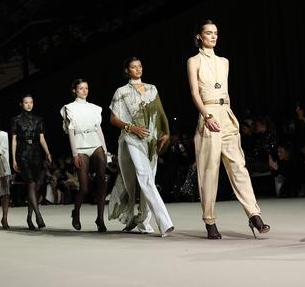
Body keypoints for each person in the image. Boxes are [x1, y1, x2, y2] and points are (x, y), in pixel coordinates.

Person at [187, 20, 270, 239]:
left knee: (238, 167)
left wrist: (230, 116)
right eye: (208, 33)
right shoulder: (194, 61)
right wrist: (206, 116)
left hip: (227, 114)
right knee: (209, 171)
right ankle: (210, 220)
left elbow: (227, 90)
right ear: (199, 36)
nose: (213, 36)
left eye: (215, 33)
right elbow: (195, 93)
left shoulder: (224, 61)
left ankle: (254, 214)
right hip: (209, 115)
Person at [108, 57, 174, 237]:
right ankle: (165, 222)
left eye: (139, 66)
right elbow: (113, 119)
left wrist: (166, 132)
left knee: (149, 179)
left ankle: (143, 221)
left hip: (151, 139)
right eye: (133, 67)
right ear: (127, 71)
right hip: (131, 139)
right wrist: (132, 128)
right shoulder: (121, 92)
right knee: (144, 177)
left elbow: (160, 112)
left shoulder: (152, 88)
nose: (137, 69)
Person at [60, 79, 108, 232]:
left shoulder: (94, 108)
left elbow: (98, 129)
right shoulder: (69, 108)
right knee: (84, 187)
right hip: (80, 146)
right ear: (74, 90)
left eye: (86, 88)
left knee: (102, 181)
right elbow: (71, 132)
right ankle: (76, 213)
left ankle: (100, 219)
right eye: (81, 88)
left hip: (96, 144)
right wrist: (75, 154)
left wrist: (105, 150)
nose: (84, 91)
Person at [11, 94, 53, 230]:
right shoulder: (16, 120)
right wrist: (14, 158)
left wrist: (47, 152)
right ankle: (38, 215)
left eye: (31, 102)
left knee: (34, 186)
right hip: (23, 153)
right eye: (26, 102)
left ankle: (29, 217)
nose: (29, 105)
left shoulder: (38, 119)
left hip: (36, 152)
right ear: (21, 104)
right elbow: (14, 141)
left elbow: (41, 138)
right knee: (31, 183)